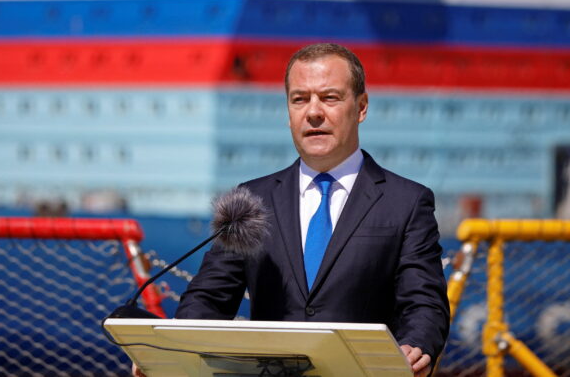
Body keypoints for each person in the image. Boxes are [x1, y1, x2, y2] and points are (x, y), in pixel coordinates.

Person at [174, 43, 449, 377]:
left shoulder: (406, 202)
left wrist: (417, 346)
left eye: (330, 98)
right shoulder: (249, 200)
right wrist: (173, 352)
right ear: (288, 112)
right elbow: (208, 299)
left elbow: (424, 304)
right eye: (300, 99)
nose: (313, 112)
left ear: (361, 107)